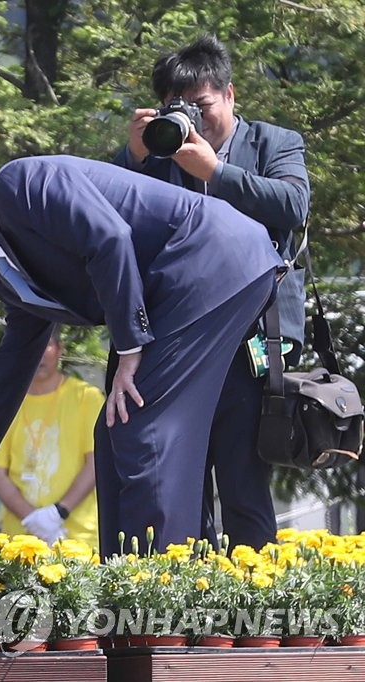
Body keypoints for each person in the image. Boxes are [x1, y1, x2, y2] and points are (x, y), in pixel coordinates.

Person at [0, 154, 284, 556]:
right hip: (179, 289)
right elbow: (7, 376)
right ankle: (133, 574)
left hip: (212, 261)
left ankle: (156, 590)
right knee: (115, 432)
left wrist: (130, 349)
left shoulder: (20, 184)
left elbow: (109, 237)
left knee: (140, 427)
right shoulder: (10, 274)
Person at [113, 35, 310, 549]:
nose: (194, 121)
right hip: (174, 340)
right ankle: (189, 615)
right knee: (181, 483)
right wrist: (132, 157)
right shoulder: (157, 152)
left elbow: (292, 206)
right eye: (180, 110)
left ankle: (256, 614)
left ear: (230, 94)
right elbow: (104, 222)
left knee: (244, 482)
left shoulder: (274, 142)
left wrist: (216, 172)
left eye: (202, 106)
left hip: (252, 339)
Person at [0, 325, 102, 549]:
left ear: (59, 349)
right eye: (30, 347)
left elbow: (96, 463)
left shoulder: (87, 397)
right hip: (20, 540)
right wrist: (34, 521)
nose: (38, 354)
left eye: (45, 345)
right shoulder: (7, 402)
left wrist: (58, 512)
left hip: (77, 537)